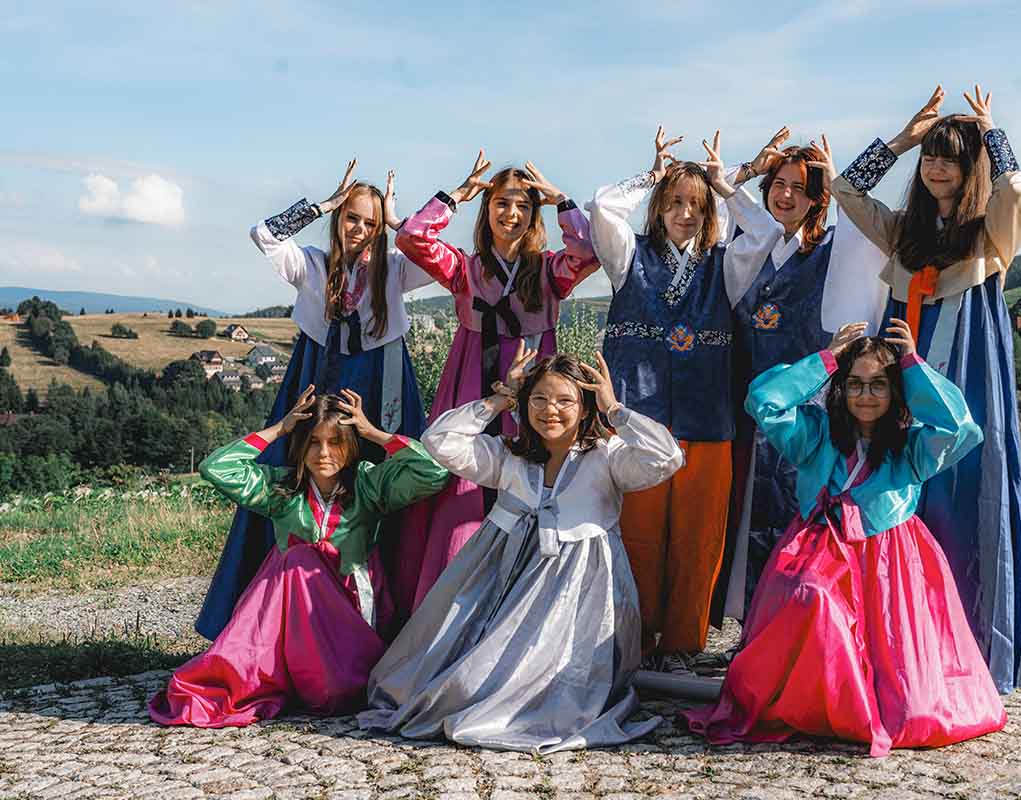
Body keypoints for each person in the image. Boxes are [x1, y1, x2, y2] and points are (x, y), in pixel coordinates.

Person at [683, 320, 1005, 757]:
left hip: (889, 558)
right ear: (841, 387)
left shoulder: (911, 448)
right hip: (818, 547)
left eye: (878, 385)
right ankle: (821, 704)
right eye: (855, 384)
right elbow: (763, 401)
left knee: (909, 700)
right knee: (811, 596)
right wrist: (827, 359)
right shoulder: (815, 436)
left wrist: (911, 366)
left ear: (895, 391)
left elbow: (961, 429)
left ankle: (872, 703)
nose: (865, 395)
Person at [359, 345, 682, 753]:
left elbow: (666, 457)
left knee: (538, 686)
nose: (550, 410)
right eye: (539, 398)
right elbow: (439, 440)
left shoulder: (607, 458)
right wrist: (500, 400)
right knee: (461, 683)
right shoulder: (508, 454)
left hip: (575, 595)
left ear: (585, 407)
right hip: (500, 585)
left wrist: (614, 410)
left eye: (565, 401)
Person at [831, 85, 1021, 692]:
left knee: (964, 494)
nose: (937, 167)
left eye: (951, 158)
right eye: (931, 157)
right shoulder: (904, 234)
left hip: (968, 377)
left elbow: (1016, 191)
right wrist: (902, 141)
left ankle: (967, 649)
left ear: (971, 168)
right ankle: (899, 645)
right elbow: (846, 190)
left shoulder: (990, 236)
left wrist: (991, 135)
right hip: (902, 378)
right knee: (898, 496)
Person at [195, 160, 435, 640]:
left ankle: (391, 621)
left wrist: (397, 222)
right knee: (294, 473)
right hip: (314, 377)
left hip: (382, 382)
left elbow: (438, 258)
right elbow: (264, 235)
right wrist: (322, 204)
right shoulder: (312, 264)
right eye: (352, 218)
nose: (359, 229)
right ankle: (279, 617)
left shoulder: (396, 269)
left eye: (369, 223)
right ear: (338, 219)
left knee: (389, 483)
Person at [588, 128, 784, 672]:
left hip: (707, 417)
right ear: (658, 207)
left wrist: (726, 185)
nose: (686, 213)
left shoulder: (726, 264)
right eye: (674, 202)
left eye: (697, 205)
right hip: (638, 420)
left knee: (699, 537)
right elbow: (603, 206)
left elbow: (765, 229)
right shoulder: (628, 257)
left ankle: (682, 642)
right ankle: (635, 635)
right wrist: (651, 176)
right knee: (638, 532)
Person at [150, 387, 448, 727]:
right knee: (297, 559)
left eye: (335, 442)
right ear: (300, 445)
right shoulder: (282, 491)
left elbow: (432, 471)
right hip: (291, 616)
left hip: (351, 613)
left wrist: (373, 433)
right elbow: (216, 467)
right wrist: (280, 428)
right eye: (313, 442)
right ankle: (260, 674)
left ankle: (322, 677)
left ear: (351, 445)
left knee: (336, 693)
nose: (324, 453)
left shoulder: (368, 486)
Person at [392, 153, 600, 615]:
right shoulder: (464, 268)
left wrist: (562, 202)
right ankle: (452, 603)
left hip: (534, 385)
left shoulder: (550, 270)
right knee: (463, 485)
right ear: (486, 210)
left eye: (524, 205)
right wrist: (454, 197)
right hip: (474, 380)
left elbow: (589, 252)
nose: (512, 213)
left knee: (532, 476)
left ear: (534, 215)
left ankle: (526, 599)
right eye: (502, 203)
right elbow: (411, 238)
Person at [712, 130, 888, 624]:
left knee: (798, 516)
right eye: (779, 184)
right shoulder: (756, 245)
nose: (786, 195)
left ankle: (798, 629)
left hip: (808, 412)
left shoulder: (833, 249)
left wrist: (840, 175)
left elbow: (861, 223)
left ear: (818, 197)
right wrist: (743, 171)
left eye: (800, 187)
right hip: (752, 405)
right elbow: (719, 201)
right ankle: (752, 628)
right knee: (745, 515)